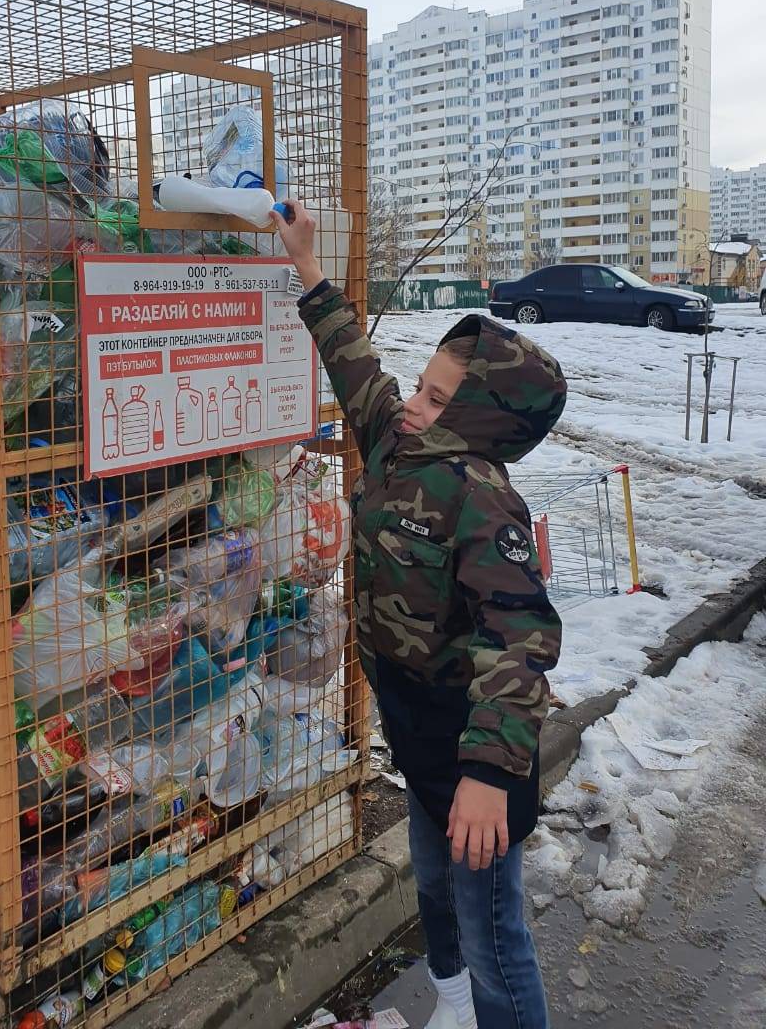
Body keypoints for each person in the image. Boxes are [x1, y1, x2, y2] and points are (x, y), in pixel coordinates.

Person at [272, 201, 567, 1029]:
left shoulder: (482, 501)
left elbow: (523, 635)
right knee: (432, 886)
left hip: (473, 745)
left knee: (493, 931)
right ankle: (449, 1006)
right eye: (423, 386)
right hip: (416, 723)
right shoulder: (401, 444)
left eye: (437, 398)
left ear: (475, 419)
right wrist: (307, 267)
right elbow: (356, 367)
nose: (413, 403)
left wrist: (486, 776)